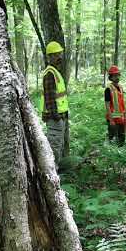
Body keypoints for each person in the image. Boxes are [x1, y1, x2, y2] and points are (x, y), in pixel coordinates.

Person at [40, 41, 69, 170]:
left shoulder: (55, 72)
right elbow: (50, 99)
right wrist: (56, 116)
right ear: (50, 57)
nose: (59, 57)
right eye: (56, 55)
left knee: (59, 145)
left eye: (60, 54)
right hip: (54, 118)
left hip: (60, 117)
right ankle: (52, 173)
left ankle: (57, 172)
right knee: (54, 146)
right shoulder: (50, 74)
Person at [104, 65, 126, 146]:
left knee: (122, 138)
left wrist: (125, 117)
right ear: (111, 77)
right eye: (114, 75)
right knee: (112, 139)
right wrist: (111, 120)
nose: (117, 77)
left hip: (121, 118)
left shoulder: (120, 87)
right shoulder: (108, 89)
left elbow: (122, 103)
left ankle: (121, 154)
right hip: (113, 119)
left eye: (118, 75)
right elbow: (107, 106)